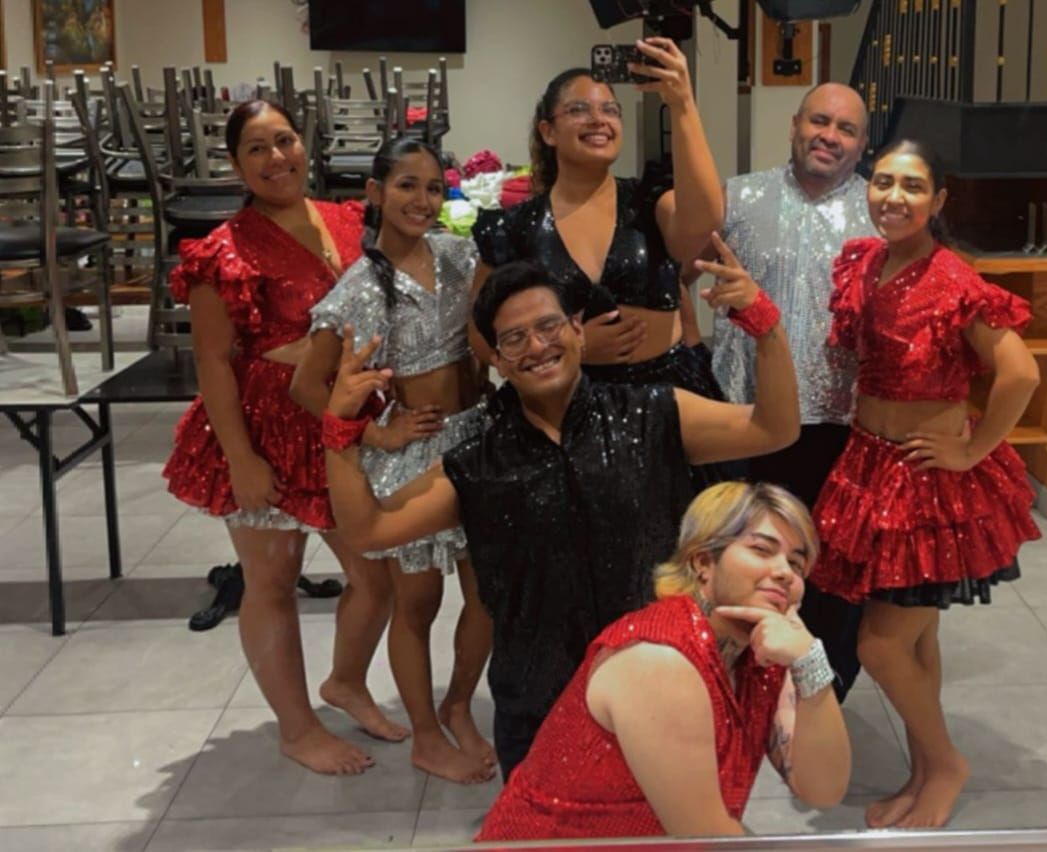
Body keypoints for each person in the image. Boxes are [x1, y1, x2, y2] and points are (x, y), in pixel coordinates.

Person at [321, 240, 799, 779]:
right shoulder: (478, 465)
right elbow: (369, 529)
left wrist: (763, 324)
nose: (537, 346)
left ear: (577, 329)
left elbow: (773, 427)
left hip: (663, 682)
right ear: (498, 359)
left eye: (549, 327)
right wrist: (340, 432)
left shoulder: (654, 415)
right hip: (538, 707)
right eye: (515, 338)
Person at [162, 100, 407, 775]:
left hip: (343, 421)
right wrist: (240, 457)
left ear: (306, 145)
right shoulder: (224, 251)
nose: (277, 159)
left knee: (374, 574)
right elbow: (213, 361)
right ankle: (297, 729)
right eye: (258, 150)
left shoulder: (350, 222)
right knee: (271, 580)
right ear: (237, 165)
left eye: (285, 141)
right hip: (265, 427)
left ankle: (346, 682)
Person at [808, 139, 1042, 829]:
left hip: (926, 479)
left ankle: (944, 765)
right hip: (871, 462)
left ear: (938, 201)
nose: (894, 197)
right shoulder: (870, 261)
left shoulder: (953, 280)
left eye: (912, 186)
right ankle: (922, 771)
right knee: (914, 642)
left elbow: (1020, 374)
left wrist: (973, 452)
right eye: (883, 182)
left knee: (878, 644)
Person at [474, 481, 851, 839]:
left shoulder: (761, 652)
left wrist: (809, 662)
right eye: (762, 550)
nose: (785, 572)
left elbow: (822, 789)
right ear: (703, 561)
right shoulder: (660, 661)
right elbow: (707, 837)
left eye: (797, 563)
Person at [290, 137, 495, 784]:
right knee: (418, 603)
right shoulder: (359, 286)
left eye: (434, 187)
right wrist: (373, 435)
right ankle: (426, 736)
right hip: (411, 455)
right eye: (406, 185)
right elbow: (306, 386)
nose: (422, 199)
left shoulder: (461, 257)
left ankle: (459, 702)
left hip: (478, 436)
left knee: (488, 591)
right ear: (375, 194)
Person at [471, 39, 729, 486]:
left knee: (673, 545)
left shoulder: (651, 202)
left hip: (663, 403)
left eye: (610, 110)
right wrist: (572, 347)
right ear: (548, 131)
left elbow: (704, 222)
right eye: (579, 110)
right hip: (560, 408)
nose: (598, 119)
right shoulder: (511, 228)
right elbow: (481, 338)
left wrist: (683, 103)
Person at [711, 82, 877, 702]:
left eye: (845, 129)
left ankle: (820, 694)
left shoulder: (879, 213)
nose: (829, 136)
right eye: (819, 120)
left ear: (862, 144)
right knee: (741, 560)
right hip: (745, 415)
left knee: (827, 570)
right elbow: (679, 266)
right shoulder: (737, 197)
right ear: (794, 124)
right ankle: (734, 688)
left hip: (840, 424)